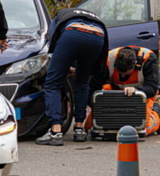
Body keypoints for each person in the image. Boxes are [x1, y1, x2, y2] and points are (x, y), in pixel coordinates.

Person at [37, 8, 109, 146]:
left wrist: (60, 69)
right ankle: (79, 129)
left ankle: (55, 132)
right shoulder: (90, 15)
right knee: (82, 82)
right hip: (99, 36)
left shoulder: (60, 14)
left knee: (52, 84)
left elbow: (53, 40)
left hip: (72, 34)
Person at [92, 46, 160, 135]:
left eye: (126, 73)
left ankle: (157, 115)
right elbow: (93, 87)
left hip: (141, 97)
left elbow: (152, 89)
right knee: (92, 126)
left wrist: (136, 90)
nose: (122, 77)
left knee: (140, 129)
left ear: (135, 63)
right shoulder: (108, 60)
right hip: (115, 94)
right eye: (120, 73)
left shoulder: (148, 58)